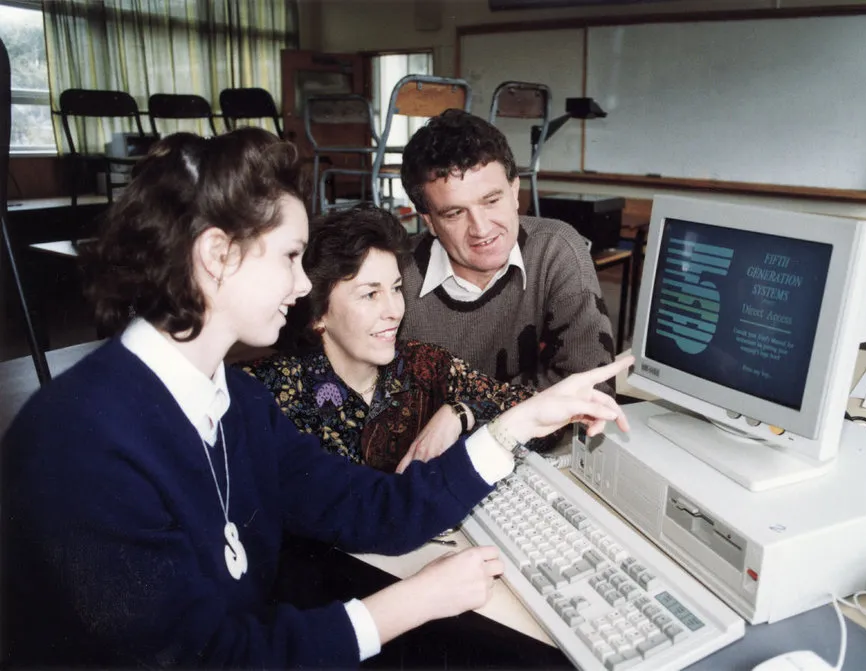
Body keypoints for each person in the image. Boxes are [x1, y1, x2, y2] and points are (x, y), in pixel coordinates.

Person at [0, 127, 633, 669]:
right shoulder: (75, 443)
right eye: (292, 257)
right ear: (217, 256)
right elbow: (211, 661)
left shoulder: (236, 404)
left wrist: (513, 423)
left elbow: (372, 508)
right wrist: (410, 603)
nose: (305, 284)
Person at [242, 204, 538, 474]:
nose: (394, 311)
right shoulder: (263, 392)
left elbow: (537, 415)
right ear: (318, 314)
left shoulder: (425, 366)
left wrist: (461, 412)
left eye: (396, 289)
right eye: (370, 294)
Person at [398, 108, 617, 395]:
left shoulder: (556, 249)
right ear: (430, 221)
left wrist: (470, 411)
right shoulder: (393, 274)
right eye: (454, 213)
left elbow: (592, 383)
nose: (481, 228)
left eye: (491, 201)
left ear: (515, 191)